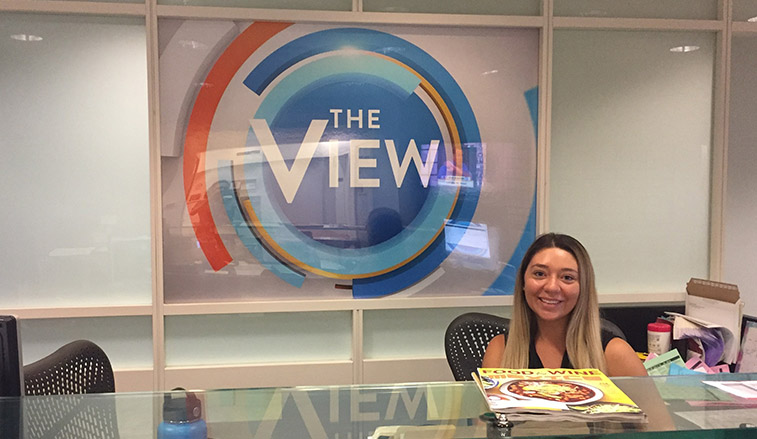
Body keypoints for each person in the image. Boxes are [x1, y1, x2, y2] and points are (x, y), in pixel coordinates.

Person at [482, 233, 647, 376]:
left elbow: (655, 413)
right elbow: (489, 413)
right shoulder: (500, 350)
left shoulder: (615, 353)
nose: (552, 287)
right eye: (540, 274)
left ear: (583, 287)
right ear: (523, 283)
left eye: (567, 277)